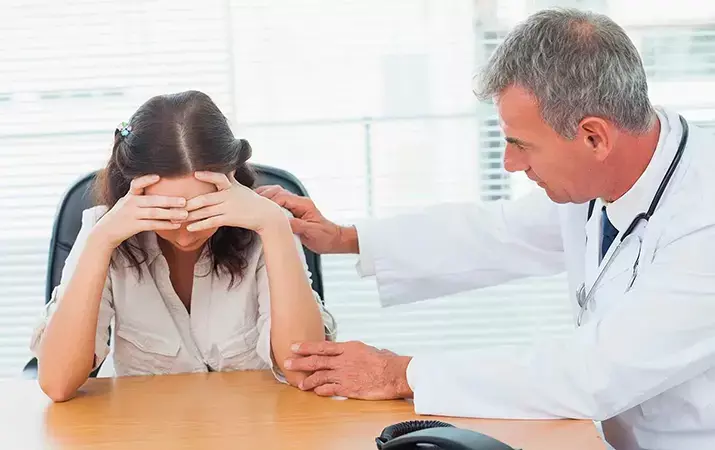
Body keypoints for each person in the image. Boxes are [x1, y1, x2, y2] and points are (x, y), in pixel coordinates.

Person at [257, 9, 715, 450]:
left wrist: (399, 374)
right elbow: (500, 233)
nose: (510, 163)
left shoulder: (703, 218)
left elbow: (595, 373)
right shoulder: (606, 176)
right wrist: (344, 237)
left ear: (594, 136)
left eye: (521, 144)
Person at [30, 90, 336, 402]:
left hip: (256, 422)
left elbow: (303, 371)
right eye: (166, 213)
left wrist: (275, 227)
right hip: (148, 424)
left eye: (204, 210)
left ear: (231, 180)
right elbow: (57, 384)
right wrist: (100, 242)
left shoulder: (267, 222)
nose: (187, 234)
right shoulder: (103, 231)